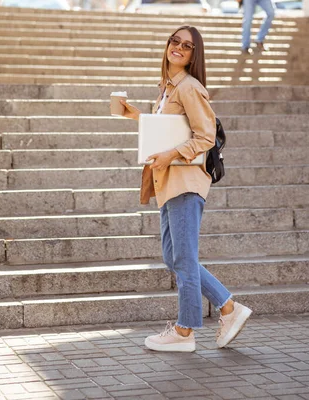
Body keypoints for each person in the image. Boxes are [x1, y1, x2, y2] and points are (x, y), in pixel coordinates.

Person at [118, 26, 252, 352]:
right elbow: (168, 130)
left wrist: (171, 154)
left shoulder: (190, 88)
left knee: (185, 259)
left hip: (185, 183)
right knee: (174, 256)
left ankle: (184, 331)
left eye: (187, 46)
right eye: (175, 41)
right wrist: (133, 114)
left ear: (194, 55)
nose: (179, 47)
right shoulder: (167, 88)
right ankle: (229, 308)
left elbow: (205, 137)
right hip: (169, 183)